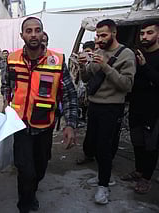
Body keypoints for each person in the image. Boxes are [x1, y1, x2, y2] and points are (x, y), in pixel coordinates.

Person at [1, 17, 78, 213]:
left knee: (40, 169)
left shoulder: (58, 61)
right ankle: (24, 205)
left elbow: (70, 95)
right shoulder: (11, 60)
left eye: (37, 30)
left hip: (45, 125)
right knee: (25, 171)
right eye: (29, 31)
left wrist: (70, 124)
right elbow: (6, 85)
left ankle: (31, 192)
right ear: (22, 35)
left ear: (43, 34)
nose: (33, 34)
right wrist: (6, 105)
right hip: (19, 126)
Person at [78, 19, 136, 204]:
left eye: (103, 35)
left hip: (112, 107)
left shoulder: (127, 55)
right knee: (94, 143)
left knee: (104, 146)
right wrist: (81, 65)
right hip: (94, 105)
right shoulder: (99, 51)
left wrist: (105, 66)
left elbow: (127, 85)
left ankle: (104, 185)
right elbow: (88, 78)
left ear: (114, 33)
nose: (99, 39)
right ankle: (104, 175)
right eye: (97, 35)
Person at [120, 20, 159, 194]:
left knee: (151, 145)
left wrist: (144, 66)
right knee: (137, 142)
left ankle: (146, 179)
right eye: (142, 33)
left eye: (149, 33)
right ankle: (139, 170)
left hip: (154, 110)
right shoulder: (136, 54)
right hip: (136, 106)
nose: (144, 36)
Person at [76, 41, 96, 165]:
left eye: (89, 52)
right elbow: (83, 79)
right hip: (87, 97)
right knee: (91, 130)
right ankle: (88, 154)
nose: (87, 54)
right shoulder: (84, 63)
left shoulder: (99, 62)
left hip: (99, 100)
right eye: (85, 51)